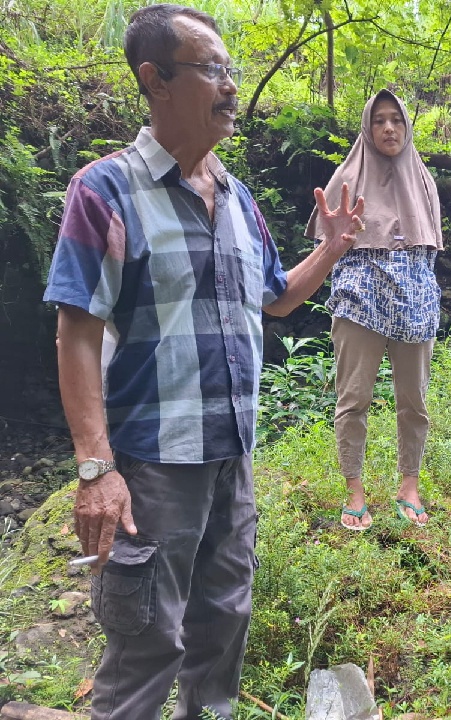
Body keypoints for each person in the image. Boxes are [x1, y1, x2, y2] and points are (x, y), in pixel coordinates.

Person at [43, 5, 363, 718]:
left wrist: (334, 248)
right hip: (154, 464)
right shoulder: (105, 190)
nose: (229, 86)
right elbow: (77, 330)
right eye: (212, 69)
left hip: (232, 457)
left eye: (230, 71)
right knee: (146, 643)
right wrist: (96, 468)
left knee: (223, 629)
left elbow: (276, 300)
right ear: (155, 80)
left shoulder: (239, 199)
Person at [305, 89, 442, 530]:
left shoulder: (423, 179)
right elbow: (323, 245)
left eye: (396, 120)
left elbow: (431, 248)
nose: (388, 128)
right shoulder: (346, 176)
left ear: (407, 127)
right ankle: (355, 489)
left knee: (413, 401)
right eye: (379, 120)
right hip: (358, 296)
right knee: (354, 398)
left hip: (415, 296)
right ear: (367, 126)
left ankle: (409, 485)